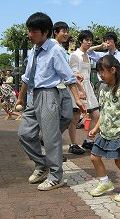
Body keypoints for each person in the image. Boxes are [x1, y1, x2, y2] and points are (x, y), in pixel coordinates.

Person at [16, 12, 85, 191]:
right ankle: (42, 164)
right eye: (29, 31)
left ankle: (56, 176)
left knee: (50, 137)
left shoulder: (55, 50)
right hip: (34, 95)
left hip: (49, 94)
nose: (30, 35)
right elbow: (26, 77)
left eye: (34, 31)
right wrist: (20, 98)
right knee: (24, 134)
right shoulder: (34, 50)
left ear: (46, 32)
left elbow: (68, 77)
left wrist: (78, 98)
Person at [88, 54, 120, 202]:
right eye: (99, 72)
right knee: (94, 157)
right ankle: (105, 182)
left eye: (103, 71)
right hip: (104, 132)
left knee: (119, 161)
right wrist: (96, 127)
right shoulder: (103, 90)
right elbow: (103, 111)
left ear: (113, 70)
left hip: (119, 132)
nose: (100, 75)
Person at [52, 21, 86, 155]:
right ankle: (52, 148)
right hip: (55, 89)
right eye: (63, 31)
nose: (66, 34)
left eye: (67, 31)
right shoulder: (54, 47)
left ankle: (53, 146)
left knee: (66, 117)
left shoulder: (60, 48)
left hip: (62, 88)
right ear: (55, 32)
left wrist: (74, 75)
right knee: (63, 118)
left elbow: (65, 70)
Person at [68, 30, 100, 151]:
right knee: (75, 117)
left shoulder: (88, 54)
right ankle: (73, 144)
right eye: (86, 40)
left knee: (96, 114)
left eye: (90, 40)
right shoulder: (75, 55)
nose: (89, 42)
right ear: (81, 41)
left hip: (88, 87)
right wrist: (80, 89)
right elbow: (73, 73)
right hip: (78, 87)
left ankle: (88, 140)